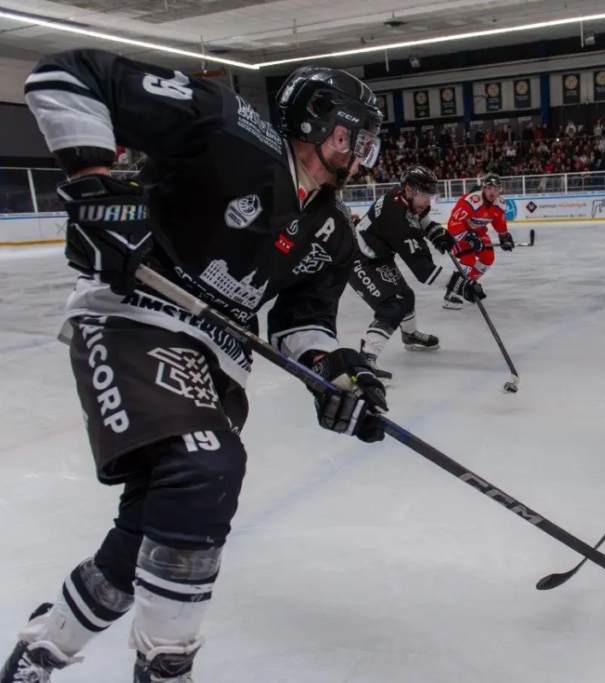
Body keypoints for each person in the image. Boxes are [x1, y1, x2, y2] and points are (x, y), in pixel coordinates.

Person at [3, 49, 389, 682]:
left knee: (144, 540)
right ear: (313, 122)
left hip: (217, 359)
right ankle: (165, 666)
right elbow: (69, 75)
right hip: (135, 317)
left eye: (366, 144)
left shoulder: (332, 233)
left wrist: (337, 373)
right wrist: (93, 183)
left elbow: (301, 323)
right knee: (207, 465)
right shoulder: (228, 128)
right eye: (351, 137)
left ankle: (43, 648)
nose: (358, 155)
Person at [349, 166, 486, 380]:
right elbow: (425, 272)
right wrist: (462, 285)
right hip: (357, 259)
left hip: (377, 256)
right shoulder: (398, 220)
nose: (427, 201)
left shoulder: (401, 196)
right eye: (423, 194)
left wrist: (437, 232)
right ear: (409, 190)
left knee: (407, 297)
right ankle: (365, 358)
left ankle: (410, 335)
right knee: (392, 306)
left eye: (429, 195)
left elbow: (420, 219)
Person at [444, 172, 514, 309]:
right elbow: (453, 222)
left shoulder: (500, 203)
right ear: (483, 188)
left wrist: (504, 236)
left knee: (488, 257)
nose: (492, 192)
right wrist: (467, 237)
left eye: (495, 189)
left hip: (479, 232)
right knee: (468, 260)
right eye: (489, 188)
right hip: (460, 232)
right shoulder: (471, 201)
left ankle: (467, 284)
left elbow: (499, 221)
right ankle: (451, 293)